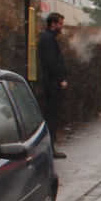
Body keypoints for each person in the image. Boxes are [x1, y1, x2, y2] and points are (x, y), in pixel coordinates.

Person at [36, 12, 68, 158]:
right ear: (53, 23)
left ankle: (49, 147)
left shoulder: (47, 38)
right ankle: (50, 147)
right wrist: (60, 78)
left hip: (50, 81)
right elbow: (52, 61)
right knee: (51, 115)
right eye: (60, 24)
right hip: (52, 82)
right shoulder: (49, 40)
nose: (61, 27)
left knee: (50, 114)